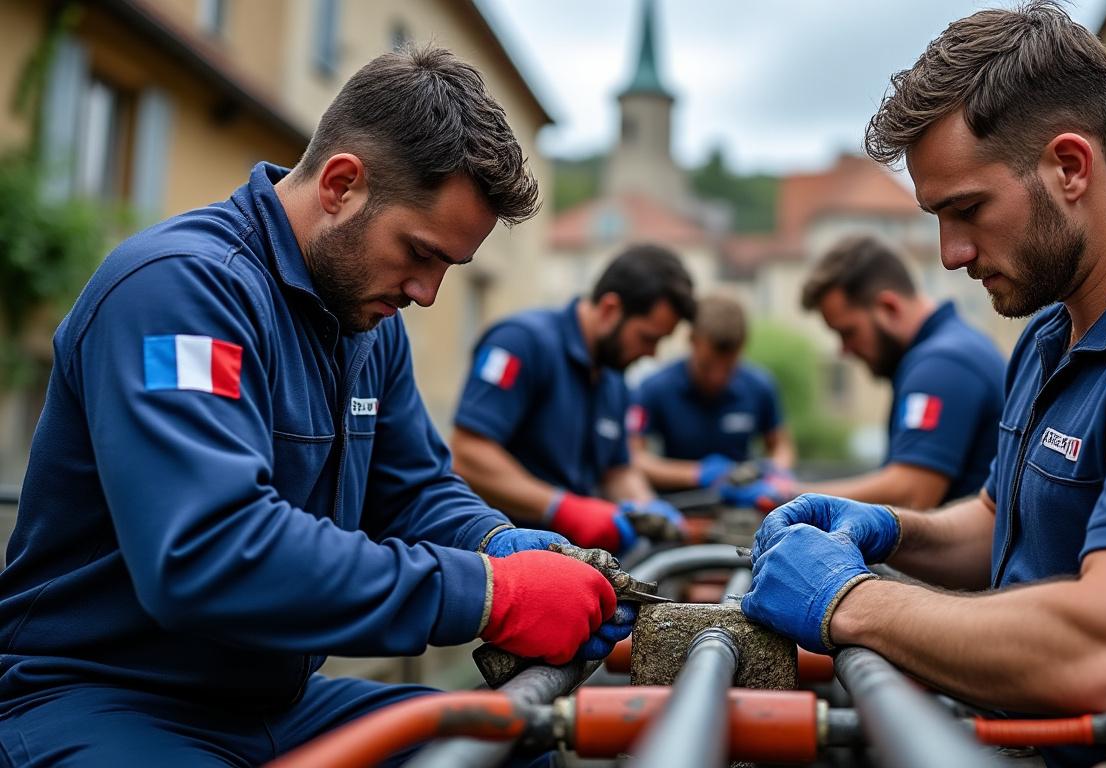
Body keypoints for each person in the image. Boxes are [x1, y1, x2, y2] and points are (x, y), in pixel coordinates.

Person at [741, 4, 1106, 767]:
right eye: (935, 217)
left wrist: (850, 601)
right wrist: (890, 528)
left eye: (967, 210)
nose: (951, 253)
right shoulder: (1051, 337)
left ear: (1069, 165)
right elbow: (1002, 519)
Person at [0, 47, 632, 766]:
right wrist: (490, 595)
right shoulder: (181, 291)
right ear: (341, 185)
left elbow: (415, 491)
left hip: (276, 702)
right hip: (99, 696)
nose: (426, 293)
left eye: (448, 269)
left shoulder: (368, 323)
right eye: (419, 252)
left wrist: (503, 547)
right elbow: (208, 552)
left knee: (508, 747)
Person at [450, 245, 694, 554]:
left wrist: (648, 508)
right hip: (497, 556)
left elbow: (616, 469)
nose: (652, 353)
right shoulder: (522, 342)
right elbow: (468, 453)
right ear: (609, 309)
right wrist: (562, 507)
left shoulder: (614, 379)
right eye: (648, 337)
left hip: (570, 562)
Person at [735, 236, 1005, 511]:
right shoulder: (955, 347)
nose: (844, 350)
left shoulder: (941, 365)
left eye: (848, 332)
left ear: (888, 307)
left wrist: (789, 496)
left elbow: (912, 494)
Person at [630, 294, 795, 496]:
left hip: (743, 502)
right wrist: (697, 473)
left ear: (742, 347)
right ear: (691, 340)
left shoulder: (760, 386)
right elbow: (633, 457)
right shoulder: (654, 388)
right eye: (706, 366)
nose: (717, 378)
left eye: (728, 369)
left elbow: (782, 446)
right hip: (680, 505)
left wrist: (773, 472)